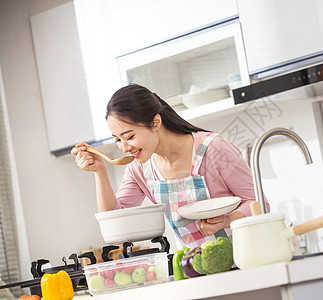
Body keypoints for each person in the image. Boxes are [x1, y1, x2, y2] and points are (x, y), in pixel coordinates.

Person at [72, 84, 270, 249]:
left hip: (245, 258)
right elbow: (114, 221)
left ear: (156, 122)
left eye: (129, 136)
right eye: (117, 140)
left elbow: (260, 203)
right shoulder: (139, 168)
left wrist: (227, 220)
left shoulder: (212, 149)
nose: (124, 147)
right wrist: (100, 171)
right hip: (193, 269)